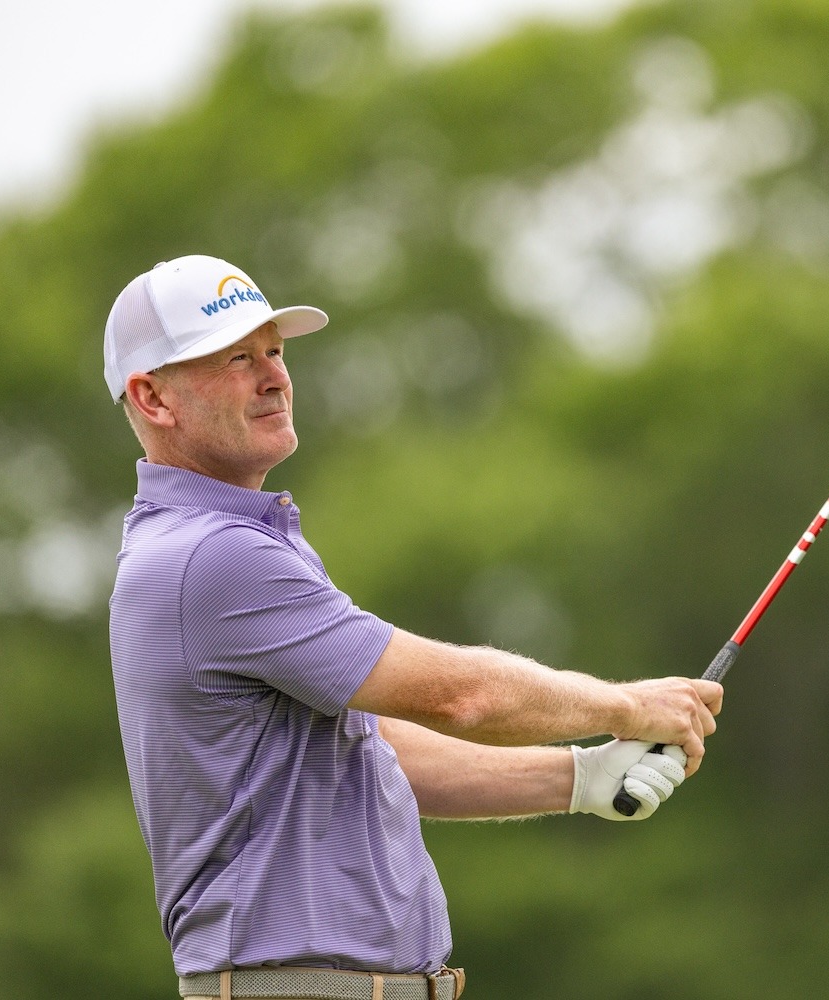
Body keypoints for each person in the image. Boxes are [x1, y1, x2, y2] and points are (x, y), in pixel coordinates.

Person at [104, 254, 723, 1000]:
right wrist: (628, 706)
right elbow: (463, 698)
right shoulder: (214, 555)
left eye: (274, 352)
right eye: (238, 359)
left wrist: (580, 778)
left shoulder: (233, 544)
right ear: (153, 397)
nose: (274, 378)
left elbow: (375, 747)